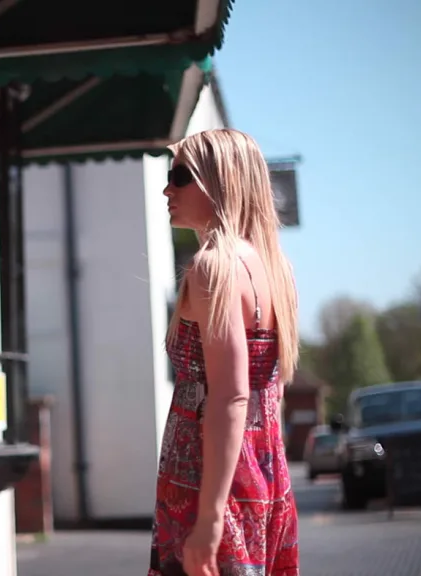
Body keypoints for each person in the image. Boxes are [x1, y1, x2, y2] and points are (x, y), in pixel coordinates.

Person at [149, 129, 300, 576]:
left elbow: (231, 396)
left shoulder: (213, 267)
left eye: (179, 176)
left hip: (209, 484)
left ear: (220, 182)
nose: (166, 188)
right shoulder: (275, 268)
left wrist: (210, 519)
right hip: (265, 475)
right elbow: (266, 392)